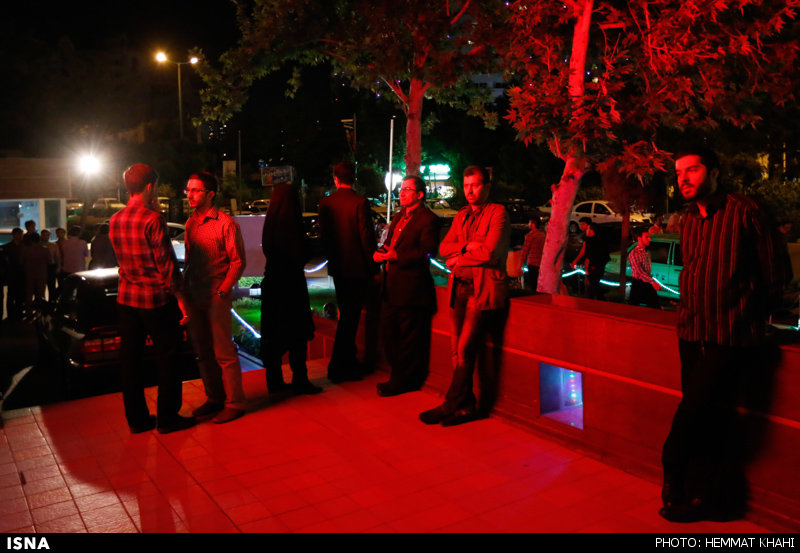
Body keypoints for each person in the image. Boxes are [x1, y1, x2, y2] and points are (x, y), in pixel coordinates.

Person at [660, 147, 786, 523]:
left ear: (714, 173)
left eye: (692, 170)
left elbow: (776, 271)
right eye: (679, 172)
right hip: (691, 329)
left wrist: (753, 316)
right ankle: (706, 498)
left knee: (694, 409)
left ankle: (673, 470)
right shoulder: (689, 220)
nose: (683, 178)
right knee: (710, 416)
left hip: (730, 333)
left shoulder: (745, 210)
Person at [419, 166, 510, 427]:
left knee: (465, 348)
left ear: (487, 186)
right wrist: (467, 246)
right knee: (456, 352)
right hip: (457, 288)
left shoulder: (498, 212)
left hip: (482, 290)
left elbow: (490, 252)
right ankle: (466, 407)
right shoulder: (461, 215)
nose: (470, 190)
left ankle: (450, 403)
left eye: (476, 185)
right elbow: (443, 247)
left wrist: (459, 258)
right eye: (466, 185)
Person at [110, 163, 194, 435]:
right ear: (150, 187)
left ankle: (137, 420)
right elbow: (166, 265)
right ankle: (168, 418)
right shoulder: (153, 220)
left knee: (130, 361)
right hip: (155, 300)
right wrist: (181, 298)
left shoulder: (115, 219)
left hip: (126, 299)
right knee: (168, 357)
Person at [183, 172, 248, 424]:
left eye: (196, 190)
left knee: (224, 351)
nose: (189, 194)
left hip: (215, 295)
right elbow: (189, 260)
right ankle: (214, 398)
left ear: (210, 194)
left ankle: (235, 402)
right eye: (188, 190)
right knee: (202, 351)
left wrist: (222, 291)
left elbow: (237, 262)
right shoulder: (190, 224)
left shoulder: (226, 224)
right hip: (194, 294)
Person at [373, 175, 440, 397]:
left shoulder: (428, 219)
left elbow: (428, 251)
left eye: (407, 189)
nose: (401, 193)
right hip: (390, 286)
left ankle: (403, 381)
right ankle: (397, 377)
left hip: (411, 289)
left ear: (419, 194)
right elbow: (389, 245)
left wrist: (397, 256)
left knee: (409, 339)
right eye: (401, 189)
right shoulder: (400, 216)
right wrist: (381, 253)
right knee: (389, 335)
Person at [260, 182, 323, 395]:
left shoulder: (270, 224)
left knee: (274, 336)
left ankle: (274, 381)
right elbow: (300, 253)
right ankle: (300, 378)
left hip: (273, 285)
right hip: (292, 286)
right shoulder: (293, 226)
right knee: (297, 334)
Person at [318, 161, 377, 383]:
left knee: (347, 316)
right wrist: (373, 266)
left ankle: (346, 362)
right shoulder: (360, 202)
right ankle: (340, 365)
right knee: (350, 319)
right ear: (354, 179)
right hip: (357, 269)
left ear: (336, 179)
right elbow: (366, 237)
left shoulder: (326, 203)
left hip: (338, 267)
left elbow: (325, 237)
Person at [571, 218, 609, 299]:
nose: (581, 226)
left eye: (583, 224)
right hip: (599, 266)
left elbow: (586, 254)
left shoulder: (589, 240)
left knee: (592, 286)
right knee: (593, 285)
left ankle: (596, 299)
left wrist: (586, 269)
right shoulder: (599, 238)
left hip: (593, 267)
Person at [627, 228, 661, 309]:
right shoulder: (634, 253)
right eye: (646, 237)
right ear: (639, 238)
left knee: (654, 307)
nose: (649, 239)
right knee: (633, 309)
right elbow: (639, 271)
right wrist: (652, 282)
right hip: (638, 283)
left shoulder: (644, 252)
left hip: (646, 282)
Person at [2, 228, 24, 321]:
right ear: (14, 235)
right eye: (19, 234)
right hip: (11, 274)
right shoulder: (7, 247)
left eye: (21, 234)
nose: (21, 236)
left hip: (21, 274)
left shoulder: (23, 246)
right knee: (11, 295)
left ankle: (19, 314)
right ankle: (11, 315)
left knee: (20, 295)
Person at [520, 216, 546, 291]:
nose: (528, 224)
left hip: (532, 263)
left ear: (533, 224)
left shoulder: (530, 236)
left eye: (529, 222)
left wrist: (521, 261)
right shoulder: (543, 235)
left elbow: (525, 250)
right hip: (541, 263)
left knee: (533, 284)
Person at [40, 230, 60, 300]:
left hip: (51, 266)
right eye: (44, 235)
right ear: (41, 236)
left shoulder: (53, 245)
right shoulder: (38, 245)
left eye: (47, 235)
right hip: (42, 267)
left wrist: (58, 267)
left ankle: (52, 301)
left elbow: (57, 257)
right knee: (41, 286)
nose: (46, 237)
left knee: (51, 286)